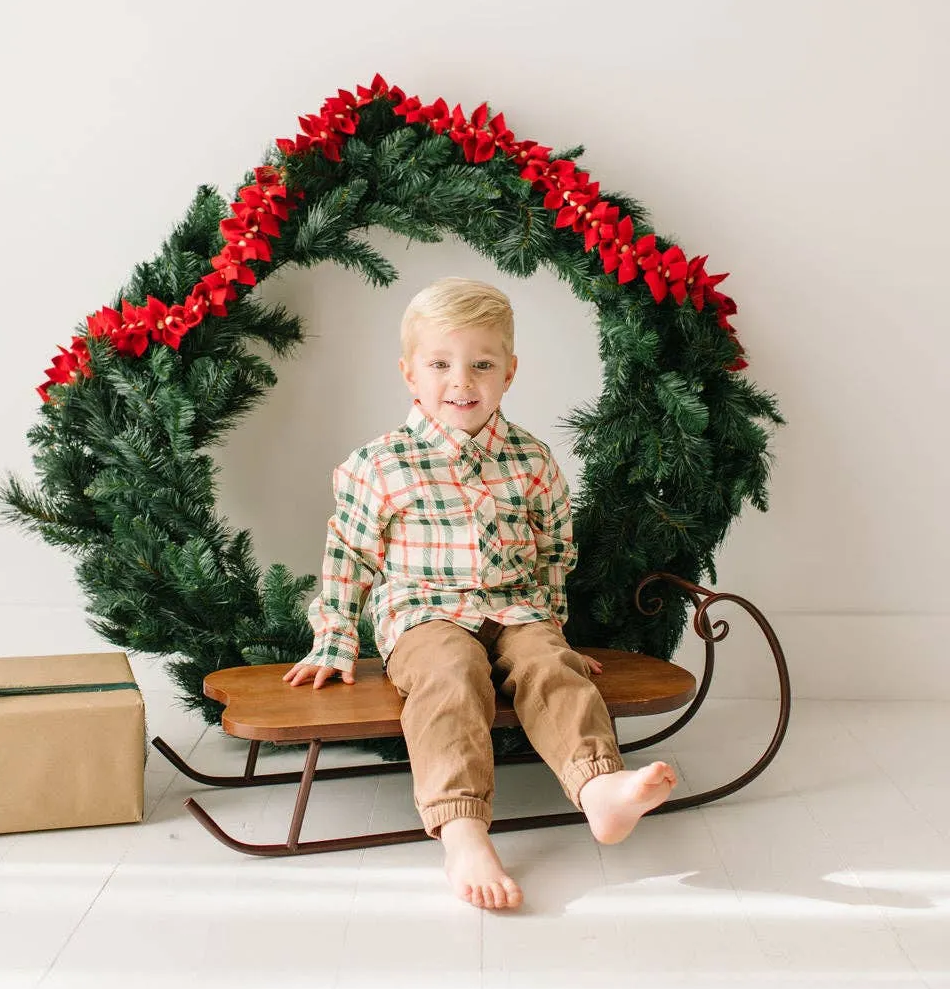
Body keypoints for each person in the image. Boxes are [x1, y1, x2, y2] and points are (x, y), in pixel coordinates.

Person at [284, 277, 676, 909]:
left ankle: (599, 788)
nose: (461, 382)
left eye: (481, 364)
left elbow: (553, 553)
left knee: (551, 666)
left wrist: (554, 630)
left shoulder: (532, 461)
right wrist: (332, 640)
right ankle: (463, 830)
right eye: (441, 364)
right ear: (410, 373)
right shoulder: (380, 464)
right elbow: (349, 557)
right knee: (450, 671)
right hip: (422, 615)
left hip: (515, 607)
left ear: (510, 372)